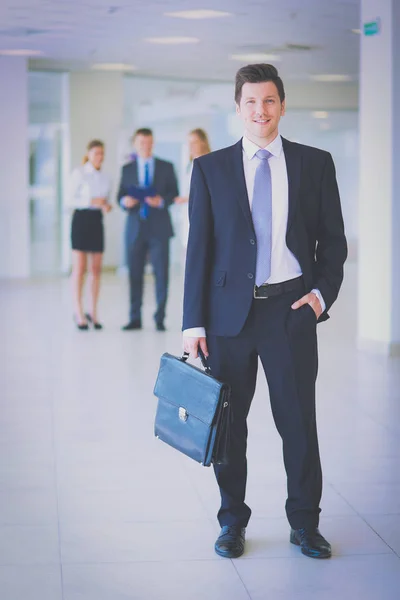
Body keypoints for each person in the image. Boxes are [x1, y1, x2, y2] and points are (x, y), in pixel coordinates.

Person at [182, 64, 347, 560]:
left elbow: (333, 243)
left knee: (298, 425)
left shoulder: (315, 163)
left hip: (290, 313)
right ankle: (232, 521)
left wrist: (320, 297)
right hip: (227, 320)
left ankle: (305, 524)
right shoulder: (210, 169)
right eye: (251, 101)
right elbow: (199, 251)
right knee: (230, 428)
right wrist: (193, 322)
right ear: (238, 107)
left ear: (282, 104)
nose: (261, 111)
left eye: (270, 100)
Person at [117, 128, 179, 331]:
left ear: (153, 143)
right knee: (134, 273)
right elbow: (120, 196)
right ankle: (135, 317)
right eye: (141, 142)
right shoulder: (127, 169)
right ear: (135, 144)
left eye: (149, 142)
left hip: (159, 227)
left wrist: (160, 201)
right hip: (135, 228)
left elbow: (173, 194)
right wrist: (125, 200)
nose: (145, 146)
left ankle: (160, 317)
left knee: (162, 274)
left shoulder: (166, 167)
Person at [69, 139, 112, 330]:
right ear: (89, 154)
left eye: (102, 153)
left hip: (96, 221)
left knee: (96, 270)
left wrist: (106, 205)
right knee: (80, 269)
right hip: (81, 220)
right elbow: (69, 200)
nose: (99, 157)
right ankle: (78, 312)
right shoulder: (79, 173)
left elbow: (106, 200)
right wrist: (92, 200)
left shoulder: (105, 177)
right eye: (96, 153)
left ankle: (93, 312)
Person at [174, 129, 211, 249]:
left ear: (203, 143)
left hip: (204, 216)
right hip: (187, 215)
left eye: (194, 142)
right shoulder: (189, 165)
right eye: (189, 143)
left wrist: (187, 199)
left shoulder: (210, 164)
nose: (191, 146)